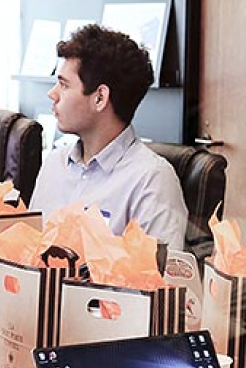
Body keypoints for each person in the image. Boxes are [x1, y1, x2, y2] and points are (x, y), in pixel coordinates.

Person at [30, 24, 188, 254]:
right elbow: (27, 255)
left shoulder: (152, 179)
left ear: (100, 98)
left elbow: (158, 274)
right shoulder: (54, 164)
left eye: (64, 85)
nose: (52, 94)